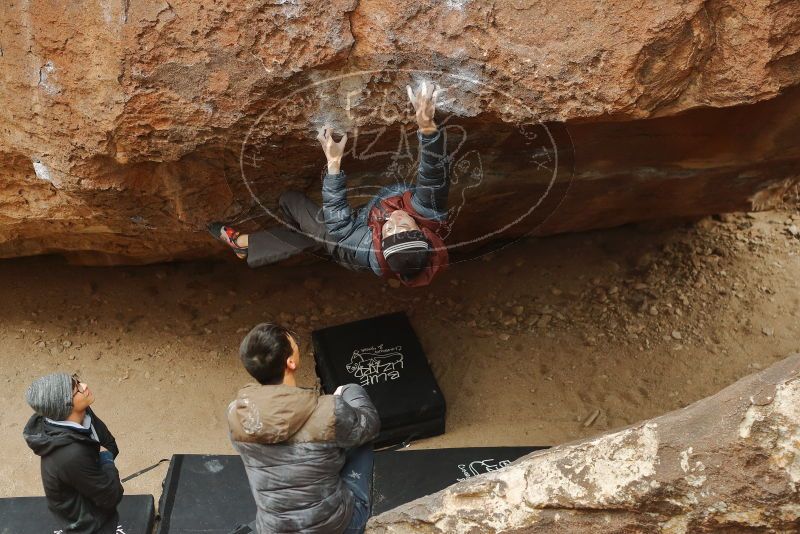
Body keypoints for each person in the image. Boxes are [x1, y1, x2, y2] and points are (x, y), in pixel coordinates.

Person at [210, 81, 450, 287]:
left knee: (292, 201)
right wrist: (427, 125)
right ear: (422, 232)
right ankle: (248, 246)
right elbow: (433, 173)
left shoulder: (361, 246)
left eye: (389, 230)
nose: (394, 220)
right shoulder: (428, 211)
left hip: (344, 242)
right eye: (404, 226)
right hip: (358, 226)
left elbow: (338, 222)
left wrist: (333, 164)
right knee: (311, 236)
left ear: (379, 242)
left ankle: (247, 244)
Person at [227, 323, 380, 534]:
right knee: (358, 431)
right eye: (291, 340)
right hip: (337, 526)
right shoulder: (329, 410)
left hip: (273, 529)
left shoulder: (236, 414)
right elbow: (370, 425)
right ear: (290, 362)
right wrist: (344, 397)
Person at [23, 373, 123, 534]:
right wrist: (106, 461)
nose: (84, 386)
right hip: (89, 523)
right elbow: (110, 496)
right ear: (65, 406)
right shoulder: (70, 455)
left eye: (77, 381)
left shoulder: (82, 412)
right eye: (77, 389)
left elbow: (108, 444)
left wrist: (104, 460)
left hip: (89, 488)